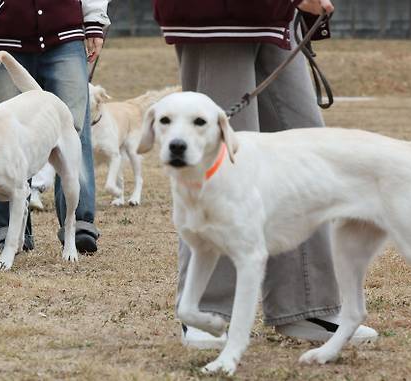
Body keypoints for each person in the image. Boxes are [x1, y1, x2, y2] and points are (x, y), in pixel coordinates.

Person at [153, 0, 379, 347]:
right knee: (221, 160)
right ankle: (206, 312)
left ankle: (306, 304)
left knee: (306, 151)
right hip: (213, 16)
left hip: (275, 16)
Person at [0, 0, 109, 253]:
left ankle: (80, 222)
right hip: (3, 38)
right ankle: (11, 229)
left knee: (74, 129)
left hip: (65, 36)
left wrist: (94, 21)